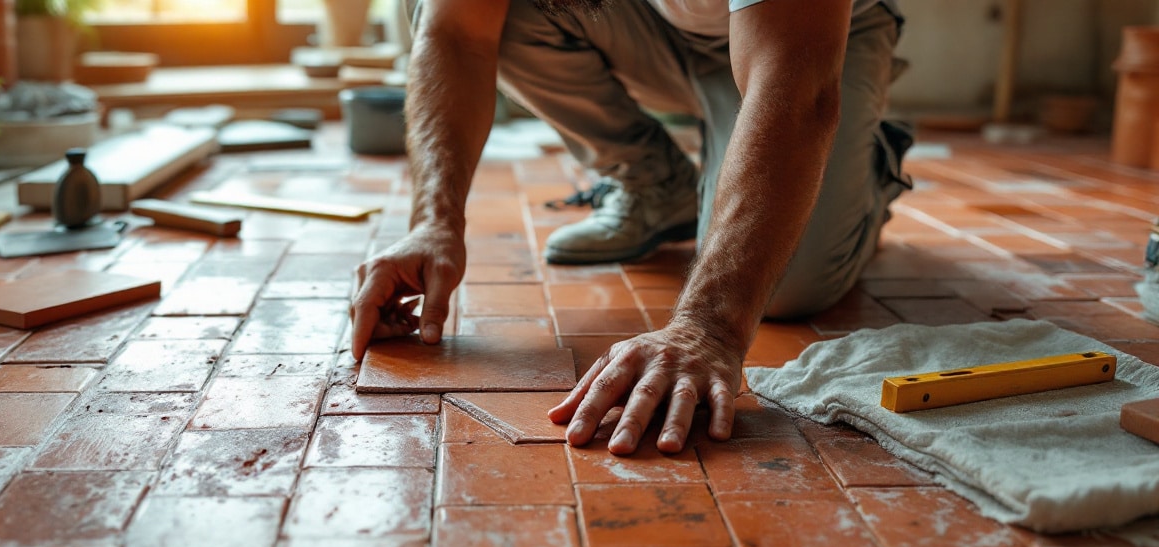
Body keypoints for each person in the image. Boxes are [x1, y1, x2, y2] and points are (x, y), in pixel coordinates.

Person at [350, 0, 911, 455]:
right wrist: (432, 223)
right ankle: (654, 181)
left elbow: (798, 90)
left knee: (787, 286)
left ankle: (866, 161)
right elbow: (457, 35)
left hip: (803, 36)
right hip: (651, 28)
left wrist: (708, 328)